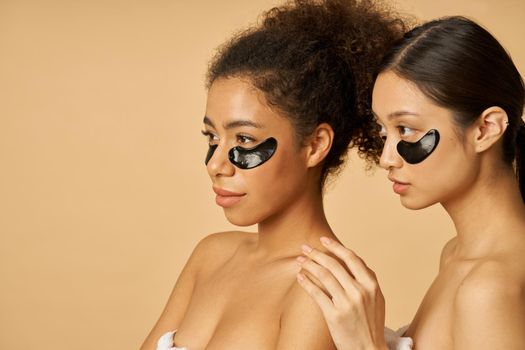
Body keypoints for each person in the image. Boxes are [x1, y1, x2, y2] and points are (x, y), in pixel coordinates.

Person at [139, 1, 405, 349]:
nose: (216, 164)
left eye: (245, 139)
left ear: (314, 145)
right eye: (212, 137)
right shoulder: (211, 256)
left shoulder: (322, 288)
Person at [297, 16, 525, 349]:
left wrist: (364, 345)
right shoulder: (456, 255)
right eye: (382, 130)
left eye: (406, 130)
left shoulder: (487, 288)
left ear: (486, 129)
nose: (387, 157)